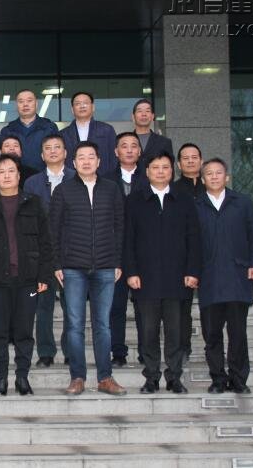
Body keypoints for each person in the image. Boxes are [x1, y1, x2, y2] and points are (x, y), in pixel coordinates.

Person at [0, 154, 53, 395]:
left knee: (24, 331)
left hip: (27, 278)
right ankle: (1, 377)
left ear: (19, 175)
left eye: (11, 171)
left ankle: (22, 376)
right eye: (1, 172)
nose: (6, 176)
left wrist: (44, 275)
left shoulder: (34, 203)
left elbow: (46, 242)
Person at [50, 141, 126, 396]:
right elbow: (54, 230)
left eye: (90, 156)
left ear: (99, 161)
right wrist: (57, 264)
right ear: (73, 162)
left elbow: (120, 227)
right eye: (81, 157)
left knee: (103, 325)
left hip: (105, 266)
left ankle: (105, 377)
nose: (86, 161)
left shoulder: (112, 189)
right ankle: (77, 377)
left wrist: (117, 262)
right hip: (73, 267)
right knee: (74, 325)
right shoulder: (63, 190)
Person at [124, 151, 201, 394]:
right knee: (148, 332)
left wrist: (193, 270)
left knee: (175, 332)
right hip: (145, 279)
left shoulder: (184, 200)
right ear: (147, 172)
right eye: (155, 167)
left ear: (172, 170)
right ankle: (151, 377)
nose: (160, 171)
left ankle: (174, 377)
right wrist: (131, 272)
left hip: (177, 278)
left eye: (165, 167)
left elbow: (194, 237)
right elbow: (127, 239)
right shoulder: (135, 201)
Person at [195, 158, 253, 394]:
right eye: (209, 173)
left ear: (227, 177)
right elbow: (189, 243)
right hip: (209, 278)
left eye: (218, 173)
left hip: (237, 277)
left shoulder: (242, 203)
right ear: (203, 179)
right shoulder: (196, 205)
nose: (214, 177)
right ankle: (218, 379)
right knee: (212, 334)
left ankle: (238, 379)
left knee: (238, 334)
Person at [24, 135, 74, 368]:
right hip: (41, 253)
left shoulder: (76, 178)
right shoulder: (32, 183)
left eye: (57, 147)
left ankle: (71, 351)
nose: (53, 151)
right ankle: (45, 352)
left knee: (71, 306)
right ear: (42, 155)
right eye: (48, 148)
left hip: (71, 251)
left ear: (65, 153)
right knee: (43, 306)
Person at [103, 132, 149, 368]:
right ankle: (118, 352)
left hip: (144, 252)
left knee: (144, 307)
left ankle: (146, 352)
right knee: (116, 306)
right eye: (124, 146)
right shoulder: (105, 180)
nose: (129, 150)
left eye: (134, 146)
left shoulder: (150, 177)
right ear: (116, 151)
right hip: (115, 252)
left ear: (140, 151)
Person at [172, 142, 205, 367]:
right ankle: (183, 347)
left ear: (201, 161)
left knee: (213, 308)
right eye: (185, 158)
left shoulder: (211, 187)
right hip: (183, 257)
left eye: (194, 157)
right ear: (178, 164)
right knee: (182, 307)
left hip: (212, 255)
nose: (190, 161)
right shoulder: (173, 190)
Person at [59, 92, 118, 176]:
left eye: (85, 103)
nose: (82, 106)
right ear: (72, 109)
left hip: (102, 179)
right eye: (78, 104)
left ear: (93, 107)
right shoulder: (63, 134)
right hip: (72, 180)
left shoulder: (106, 130)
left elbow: (114, 158)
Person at [0, 89, 59, 171]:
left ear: (36, 104)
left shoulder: (49, 128)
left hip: (44, 176)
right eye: (21, 102)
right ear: (16, 106)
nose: (25, 104)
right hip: (16, 176)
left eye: (29, 101)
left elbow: (57, 155)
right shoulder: (8, 131)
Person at [131, 99, 174, 165]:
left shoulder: (164, 142)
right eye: (140, 111)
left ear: (152, 116)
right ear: (133, 117)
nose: (144, 114)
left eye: (147, 111)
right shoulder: (124, 141)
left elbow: (169, 168)